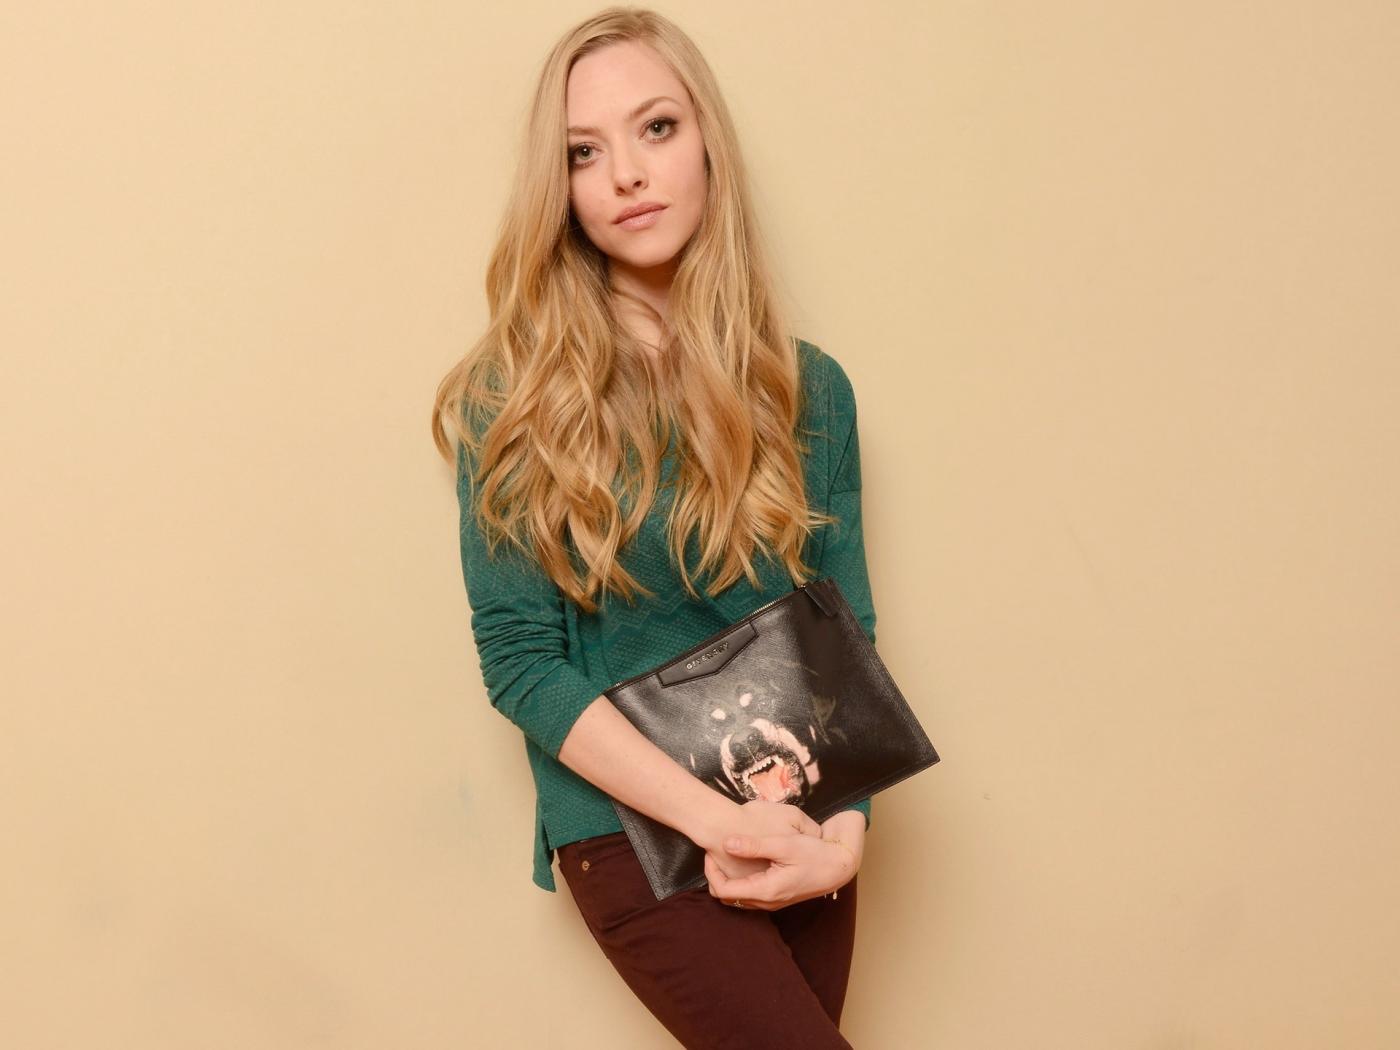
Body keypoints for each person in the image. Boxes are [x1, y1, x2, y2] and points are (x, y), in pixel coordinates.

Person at [431, 8, 880, 1047]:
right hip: (630, 829)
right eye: (583, 153)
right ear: (559, 190)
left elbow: (843, 627)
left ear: (708, 143)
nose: (626, 173)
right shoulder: (512, 401)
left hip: (801, 807)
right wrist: (719, 821)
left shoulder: (808, 388)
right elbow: (520, 665)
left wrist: (845, 836)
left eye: (657, 128)